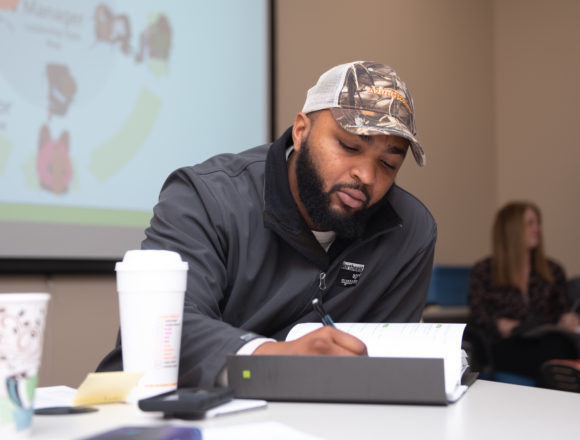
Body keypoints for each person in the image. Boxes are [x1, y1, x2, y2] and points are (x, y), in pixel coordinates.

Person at [97, 61, 437, 387]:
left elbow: (389, 356)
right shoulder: (206, 197)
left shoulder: (409, 231)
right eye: (349, 146)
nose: (366, 175)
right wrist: (273, 359)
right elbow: (161, 327)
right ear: (301, 131)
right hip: (188, 411)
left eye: (388, 164)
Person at [468, 201, 580, 384]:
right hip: (507, 344)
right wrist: (499, 324)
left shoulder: (553, 270)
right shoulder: (485, 270)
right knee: (549, 355)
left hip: (547, 340)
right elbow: (478, 314)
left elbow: (561, 310)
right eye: (530, 223)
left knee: (558, 345)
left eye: (538, 223)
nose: (537, 229)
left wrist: (569, 320)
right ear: (511, 229)